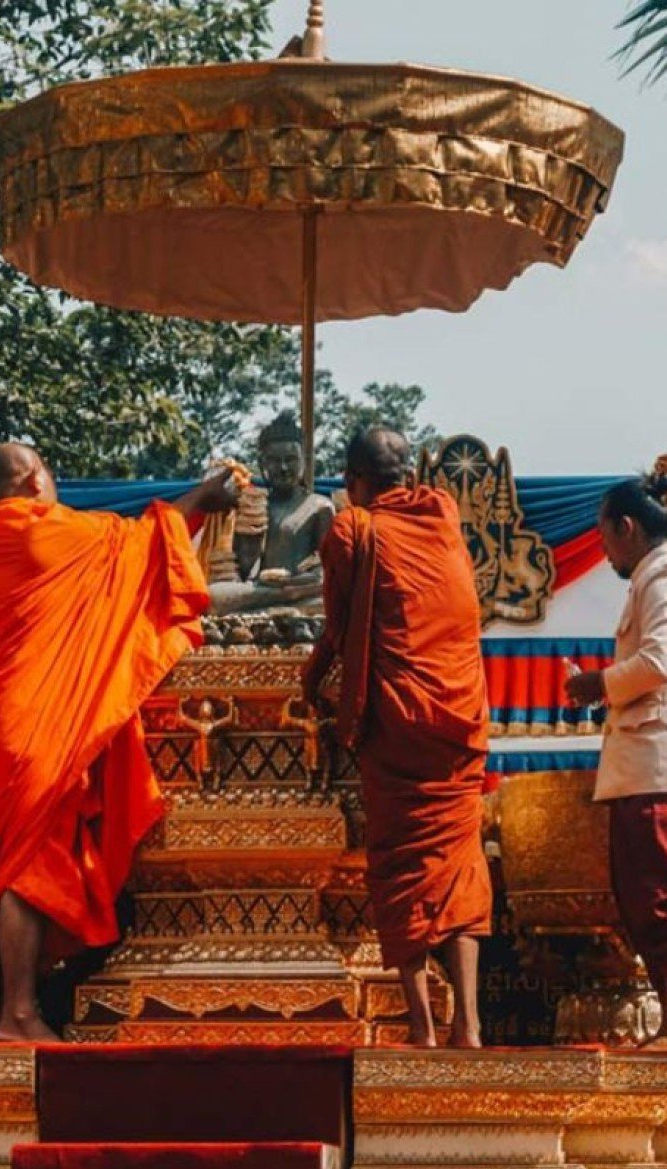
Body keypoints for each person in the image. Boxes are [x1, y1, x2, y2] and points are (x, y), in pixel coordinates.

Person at [0, 443, 238, 1041]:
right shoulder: (44, 534)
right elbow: (144, 542)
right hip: (36, 728)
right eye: (51, 472)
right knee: (27, 865)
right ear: (31, 479)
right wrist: (206, 497)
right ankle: (19, 1013)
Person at [302, 426, 492, 1048]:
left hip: (400, 720)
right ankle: (469, 1017)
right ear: (407, 476)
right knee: (458, 863)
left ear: (354, 481)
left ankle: (422, 1024)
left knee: (400, 866)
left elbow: (336, 627)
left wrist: (308, 680)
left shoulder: (353, 529)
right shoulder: (441, 513)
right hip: (459, 718)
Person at [564, 472, 667, 1052]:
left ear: (625, 528)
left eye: (604, 537)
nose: (605, 552)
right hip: (660, 763)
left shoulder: (663, 577)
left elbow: (657, 661)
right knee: (650, 897)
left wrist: (595, 686)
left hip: (666, 766)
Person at [208, 411, 335, 614]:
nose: (283, 468)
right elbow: (239, 571)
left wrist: (297, 582)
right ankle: (280, 601)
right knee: (212, 596)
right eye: (274, 461)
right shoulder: (251, 503)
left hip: (300, 589)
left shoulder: (319, 506)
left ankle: (282, 601)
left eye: (291, 459)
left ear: (305, 461)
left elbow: (329, 570)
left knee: (326, 598)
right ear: (263, 463)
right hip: (260, 590)